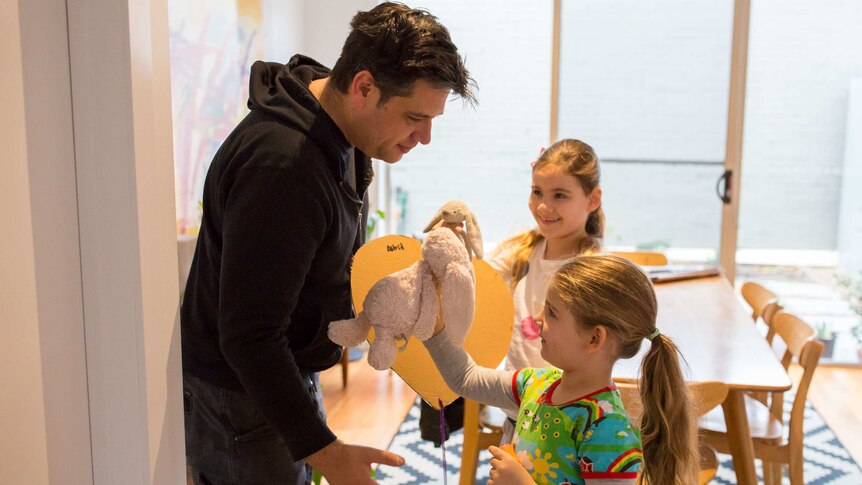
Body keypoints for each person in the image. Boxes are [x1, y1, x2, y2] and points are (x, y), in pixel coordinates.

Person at [180, 3, 476, 484]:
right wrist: (326, 451)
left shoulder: (340, 129)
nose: (424, 138)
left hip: (280, 374)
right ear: (363, 87)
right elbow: (249, 335)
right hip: (243, 397)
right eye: (414, 118)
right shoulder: (284, 168)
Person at [424, 255, 697, 484]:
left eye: (552, 312)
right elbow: (466, 378)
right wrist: (433, 328)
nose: (538, 319)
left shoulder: (608, 432)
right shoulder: (535, 384)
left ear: (594, 339)